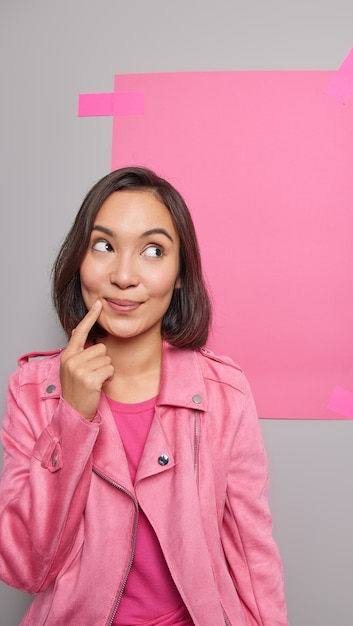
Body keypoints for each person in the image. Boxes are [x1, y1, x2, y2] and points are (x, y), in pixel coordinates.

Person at [0, 166, 288, 625]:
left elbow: (254, 558)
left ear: (179, 275)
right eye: (104, 246)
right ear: (79, 260)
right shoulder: (33, 392)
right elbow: (25, 567)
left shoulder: (224, 393)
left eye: (153, 251)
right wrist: (72, 417)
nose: (124, 275)